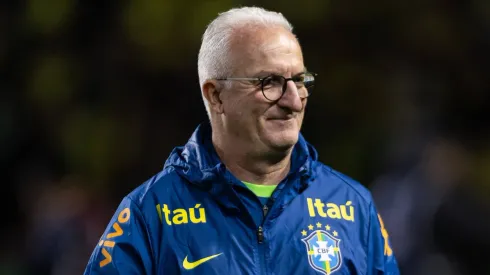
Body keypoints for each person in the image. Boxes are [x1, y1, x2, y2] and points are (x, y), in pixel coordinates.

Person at [84, 6, 399, 274]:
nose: (293, 100)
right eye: (270, 82)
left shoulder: (353, 205)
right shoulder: (148, 214)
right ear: (216, 95)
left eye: (299, 81)